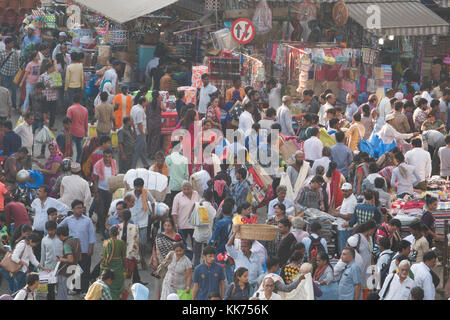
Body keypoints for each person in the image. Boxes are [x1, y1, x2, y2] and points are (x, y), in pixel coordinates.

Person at [58, 200, 96, 295]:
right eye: (78, 208)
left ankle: (84, 290)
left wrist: (91, 248)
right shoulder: (68, 220)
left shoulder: (87, 220)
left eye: (81, 208)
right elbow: (59, 227)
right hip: (73, 250)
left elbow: (92, 235)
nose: (80, 210)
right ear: (73, 209)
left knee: (84, 270)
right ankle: (76, 289)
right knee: (74, 270)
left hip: (84, 249)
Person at [149, 218, 183, 295]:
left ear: (173, 226)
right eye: (165, 225)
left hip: (173, 265)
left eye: (169, 226)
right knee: (159, 286)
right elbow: (154, 248)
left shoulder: (177, 237)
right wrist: (154, 259)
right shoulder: (159, 236)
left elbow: (181, 250)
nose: (167, 227)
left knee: (171, 286)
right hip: (160, 265)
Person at [128, 177, 156, 265]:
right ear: (134, 186)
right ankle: (136, 259)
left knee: (143, 242)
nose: (138, 189)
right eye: (137, 187)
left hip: (143, 221)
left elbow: (153, 202)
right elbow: (125, 204)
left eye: (140, 187)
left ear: (142, 186)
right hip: (132, 221)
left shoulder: (146, 193)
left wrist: (153, 213)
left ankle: (142, 256)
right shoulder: (129, 194)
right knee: (133, 242)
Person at [93, 149, 116, 236]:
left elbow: (115, 176)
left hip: (109, 191)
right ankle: (103, 232)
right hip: (100, 190)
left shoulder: (114, 163)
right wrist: (96, 193)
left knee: (106, 211)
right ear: (103, 156)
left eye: (109, 156)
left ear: (111, 156)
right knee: (101, 211)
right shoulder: (98, 165)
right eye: (105, 156)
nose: (107, 158)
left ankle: (99, 226)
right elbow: (95, 180)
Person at [100, 226, 125, 300]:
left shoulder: (106, 243)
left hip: (108, 266)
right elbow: (123, 256)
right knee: (118, 284)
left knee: (108, 284)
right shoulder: (122, 243)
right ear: (117, 233)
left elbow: (103, 256)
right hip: (118, 266)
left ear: (109, 233)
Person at [192, 189, 216, 267]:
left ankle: (196, 269)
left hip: (198, 234)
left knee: (197, 255)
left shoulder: (198, 206)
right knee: (207, 255)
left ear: (203, 197)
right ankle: (206, 268)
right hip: (208, 235)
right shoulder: (213, 210)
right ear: (212, 198)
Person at [40, 220, 63, 300]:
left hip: (60, 267)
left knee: (61, 287)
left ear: (55, 229)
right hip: (48, 268)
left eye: (52, 230)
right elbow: (43, 254)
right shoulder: (44, 240)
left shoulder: (61, 239)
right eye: (48, 230)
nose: (50, 232)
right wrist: (41, 267)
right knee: (50, 289)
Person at [66, 94, 88, 163]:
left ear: (73, 100)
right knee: (79, 150)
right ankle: (78, 164)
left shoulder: (70, 109)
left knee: (70, 149)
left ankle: (69, 163)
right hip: (81, 132)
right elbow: (86, 122)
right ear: (80, 101)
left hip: (72, 131)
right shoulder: (85, 110)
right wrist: (86, 132)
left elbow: (67, 121)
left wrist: (66, 131)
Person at [0, 37, 19, 110]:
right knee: (5, 90)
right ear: (7, 44)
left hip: (12, 74)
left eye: (13, 43)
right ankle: (5, 105)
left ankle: (14, 105)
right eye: (11, 43)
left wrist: (16, 72)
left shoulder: (15, 52)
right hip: (4, 73)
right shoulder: (1, 52)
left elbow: (17, 63)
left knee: (14, 90)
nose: (12, 44)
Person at [130, 96, 149, 169]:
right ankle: (133, 167)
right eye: (146, 101)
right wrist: (142, 133)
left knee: (142, 149)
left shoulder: (134, 107)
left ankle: (146, 164)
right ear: (143, 102)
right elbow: (139, 123)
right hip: (139, 133)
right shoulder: (140, 111)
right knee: (137, 150)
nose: (147, 103)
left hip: (135, 131)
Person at [147, 90, 166, 159]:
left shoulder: (149, 103)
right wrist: (161, 100)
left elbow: (147, 112)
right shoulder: (159, 103)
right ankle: (153, 153)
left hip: (150, 122)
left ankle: (149, 152)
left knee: (150, 137)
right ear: (158, 96)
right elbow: (164, 109)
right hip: (157, 122)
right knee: (156, 138)